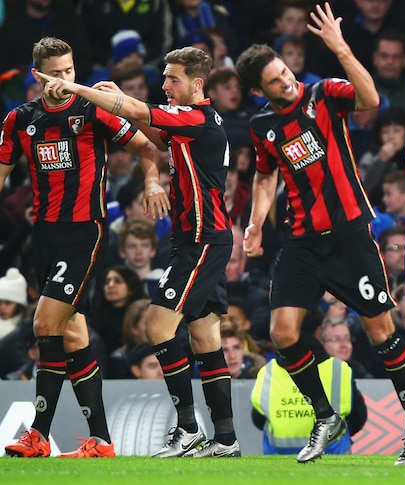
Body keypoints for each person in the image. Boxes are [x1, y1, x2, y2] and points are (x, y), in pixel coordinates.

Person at [235, 3, 405, 465]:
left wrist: (341, 48)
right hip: (301, 241)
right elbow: (265, 177)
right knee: (282, 333)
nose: (285, 81)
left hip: (348, 236)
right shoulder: (262, 126)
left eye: (284, 72)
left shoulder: (323, 93)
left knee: (381, 331)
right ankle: (325, 416)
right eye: (275, 81)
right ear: (259, 90)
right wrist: (256, 223)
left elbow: (371, 101)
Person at [38, 44, 241, 458]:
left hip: (203, 239)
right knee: (203, 334)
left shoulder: (197, 118)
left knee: (157, 325)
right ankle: (225, 439)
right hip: (200, 237)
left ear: (196, 84)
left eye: (173, 78)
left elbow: (138, 112)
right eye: (164, 77)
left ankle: (187, 429)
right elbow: (154, 134)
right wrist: (116, 98)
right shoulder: (193, 123)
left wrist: (77, 88)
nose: (165, 84)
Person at [1, 36, 164, 459]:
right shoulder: (20, 121)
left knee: (44, 324)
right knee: (72, 335)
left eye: (70, 72)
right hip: (45, 237)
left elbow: (149, 147)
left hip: (85, 234)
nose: (64, 81)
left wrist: (150, 180)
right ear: (37, 75)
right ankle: (102, 442)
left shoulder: (93, 111)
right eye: (55, 74)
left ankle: (37, 433)